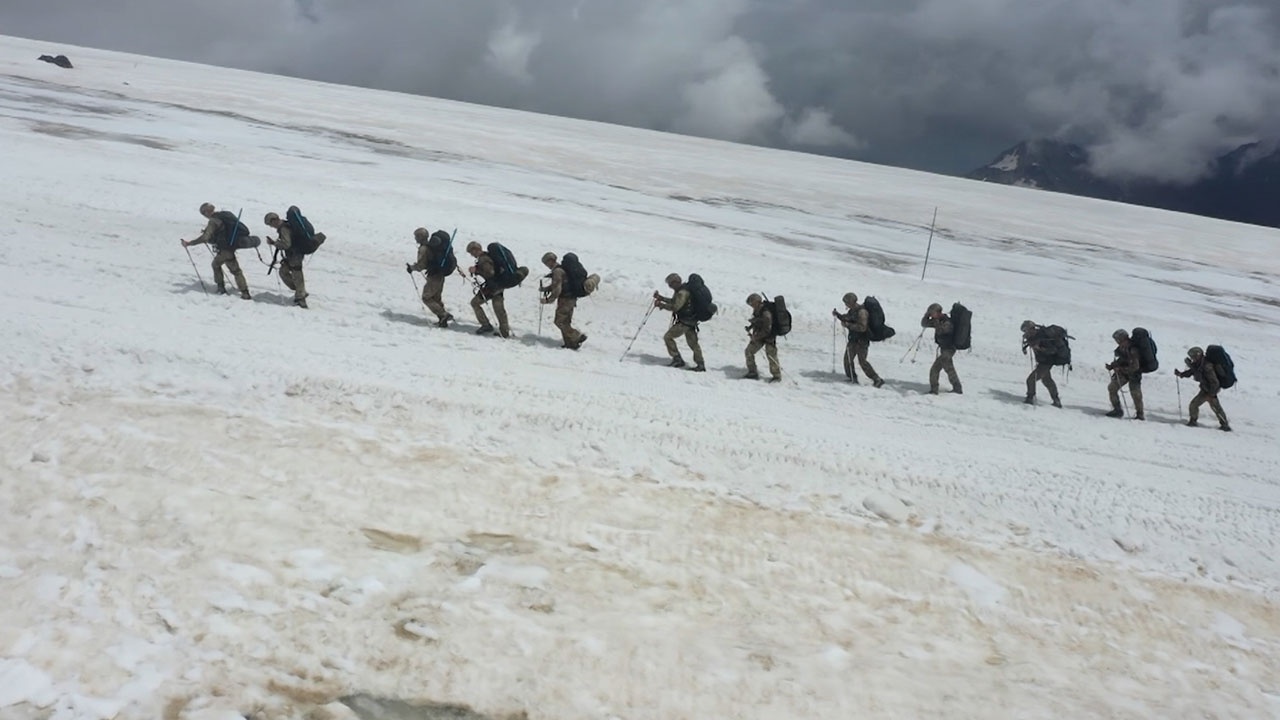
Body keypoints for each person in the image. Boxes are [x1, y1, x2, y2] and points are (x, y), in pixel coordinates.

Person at [181, 202, 250, 299]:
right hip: (231, 246)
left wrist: (189, 243)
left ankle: (224, 289)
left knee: (221, 266)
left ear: (206, 212)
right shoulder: (225, 215)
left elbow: (205, 238)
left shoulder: (213, 221)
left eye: (204, 213)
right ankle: (243, 291)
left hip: (225, 249)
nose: (205, 216)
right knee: (232, 269)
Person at [653, 273, 705, 371]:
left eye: (670, 284)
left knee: (668, 337)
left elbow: (675, 306)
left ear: (676, 282)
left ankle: (677, 359)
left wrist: (661, 305)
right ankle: (700, 364)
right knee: (693, 344)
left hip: (685, 322)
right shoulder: (682, 290)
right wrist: (662, 298)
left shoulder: (682, 293)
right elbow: (674, 301)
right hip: (691, 321)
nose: (670, 286)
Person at [407, 228, 456, 327]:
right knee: (436, 298)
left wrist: (412, 268)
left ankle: (443, 315)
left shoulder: (424, 249)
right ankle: (442, 320)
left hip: (434, 275)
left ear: (421, 237)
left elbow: (421, 265)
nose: (415, 239)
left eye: (416, 236)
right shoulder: (433, 246)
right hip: (441, 274)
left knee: (427, 297)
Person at [833, 292, 883, 387]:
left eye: (847, 303)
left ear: (852, 302)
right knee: (847, 359)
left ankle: (877, 379)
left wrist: (848, 325)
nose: (846, 305)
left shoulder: (862, 312)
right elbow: (848, 318)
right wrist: (838, 315)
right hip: (853, 340)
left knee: (862, 362)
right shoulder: (852, 311)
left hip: (862, 341)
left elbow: (862, 327)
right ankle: (852, 377)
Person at [1175, 346, 1231, 431]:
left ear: (1198, 355)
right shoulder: (1199, 364)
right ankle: (1194, 421)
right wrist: (1181, 374)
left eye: (1193, 357)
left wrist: (1211, 394)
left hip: (1210, 391)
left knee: (1213, 407)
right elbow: (1191, 371)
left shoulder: (1207, 366)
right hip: (1205, 390)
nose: (1192, 359)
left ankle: (1224, 425)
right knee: (1196, 405)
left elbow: (1215, 382)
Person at [263, 211, 311, 308]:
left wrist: (274, 243)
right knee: (284, 272)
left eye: (270, 224)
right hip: (294, 254)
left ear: (274, 220)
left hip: (295, 255)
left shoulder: (284, 228)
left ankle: (301, 299)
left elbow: (286, 244)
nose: (271, 227)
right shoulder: (286, 225)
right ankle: (300, 291)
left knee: (297, 275)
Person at [540, 252, 586, 349]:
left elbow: (557, 289)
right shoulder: (563, 269)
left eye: (546, 263)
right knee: (566, 322)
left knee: (559, 321)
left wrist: (548, 300)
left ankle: (576, 335)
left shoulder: (557, 272)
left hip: (565, 299)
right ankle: (570, 344)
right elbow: (561, 284)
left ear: (550, 261)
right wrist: (546, 289)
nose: (546, 265)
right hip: (572, 298)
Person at [466, 241, 509, 337]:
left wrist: (476, 270)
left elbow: (490, 273)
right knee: (499, 308)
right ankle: (504, 331)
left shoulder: (483, 259)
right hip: (498, 285)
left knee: (475, 303)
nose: (471, 255)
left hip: (492, 287)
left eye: (471, 252)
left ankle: (486, 325)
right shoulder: (487, 256)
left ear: (476, 250)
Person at [921, 303, 961, 394]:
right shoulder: (938, 320)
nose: (931, 315)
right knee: (949, 368)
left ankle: (934, 390)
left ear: (938, 313)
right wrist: (926, 316)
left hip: (949, 349)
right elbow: (924, 324)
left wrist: (936, 323)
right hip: (944, 349)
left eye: (932, 313)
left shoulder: (947, 322)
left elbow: (943, 330)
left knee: (934, 369)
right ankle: (957, 388)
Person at [1020, 320, 1062, 407]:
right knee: (1047, 381)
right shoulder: (1033, 337)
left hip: (1046, 363)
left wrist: (1039, 349)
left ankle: (1030, 398)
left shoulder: (1043, 338)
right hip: (1042, 362)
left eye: (1026, 330)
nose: (1025, 333)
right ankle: (1056, 400)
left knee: (1031, 379)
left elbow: (1053, 350)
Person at [1105, 329, 1144, 420]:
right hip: (1124, 373)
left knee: (1135, 394)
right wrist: (1112, 366)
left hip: (1134, 374)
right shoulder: (1122, 348)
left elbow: (1135, 366)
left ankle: (1140, 414)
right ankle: (1117, 409)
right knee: (1112, 388)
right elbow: (1121, 359)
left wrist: (1121, 369)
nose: (1117, 342)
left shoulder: (1133, 349)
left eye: (1117, 339)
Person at [743, 294, 781, 382]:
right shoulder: (757, 310)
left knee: (771, 356)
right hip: (759, 336)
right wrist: (751, 326)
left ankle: (777, 376)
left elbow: (767, 330)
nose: (751, 306)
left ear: (757, 302)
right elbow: (758, 321)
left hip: (769, 337)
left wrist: (755, 337)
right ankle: (752, 372)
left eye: (752, 303)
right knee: (749, 351)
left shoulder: (766, 313)